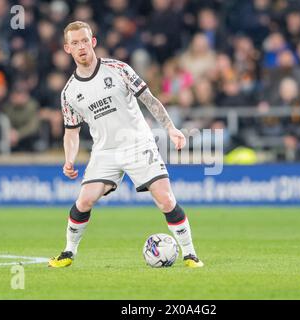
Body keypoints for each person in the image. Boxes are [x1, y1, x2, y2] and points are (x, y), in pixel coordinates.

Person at [48, 21, 203, 268]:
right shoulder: (69, 92)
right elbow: (71, 132)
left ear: (93, 42)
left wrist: (171, 129)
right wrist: (69, 159)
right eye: (75, 43)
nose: (81, 47)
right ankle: (68, 252)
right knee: (84, 200)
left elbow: (149, 100)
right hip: (105, 151)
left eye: (85, 41)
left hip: (138, 144)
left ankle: (190, 254)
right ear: (67, 49)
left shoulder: (118, 69)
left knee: (165, 199)